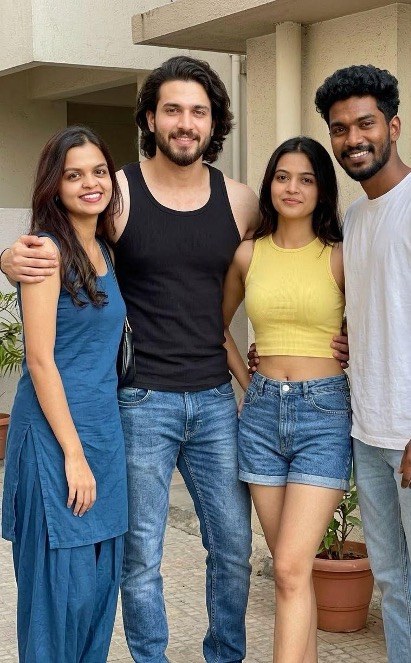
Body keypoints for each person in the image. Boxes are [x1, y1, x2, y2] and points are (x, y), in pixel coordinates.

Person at [0, 56, 350, 663]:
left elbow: (292, 255)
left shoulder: (241, 201)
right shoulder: (117, 193)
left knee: (233, 547)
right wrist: (12, 259)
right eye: (172, 110)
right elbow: (64, 239)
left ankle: (224, 655)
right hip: (140, 402)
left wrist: (328, 337)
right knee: (140, 555)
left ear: (214, 122)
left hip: (215, 401)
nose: (185, 123)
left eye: (198, 111)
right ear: (150, 119)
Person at [314, 66, 411, 662]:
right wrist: (352, 343)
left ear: (394, 126)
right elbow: (385, 310)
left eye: (366, 124)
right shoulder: (356, 218)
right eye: (340, 128)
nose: (353, 138)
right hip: (369, 431)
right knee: (394, 585)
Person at [1, 126, 128, 663]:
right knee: (59, 594)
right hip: (57, 440)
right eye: (73, 175)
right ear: (54, 185)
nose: (90, 183)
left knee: (97, 590)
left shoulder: (104, 248)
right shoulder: (44, 252)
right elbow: (40, 360)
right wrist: (73, 456)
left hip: (104, 433)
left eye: (98, 171)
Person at [223, 135, 350, 663]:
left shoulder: (341, 256)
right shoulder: (248, 254)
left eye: (306, 179)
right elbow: (214, 327)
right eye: (282, 177)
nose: (292, 188)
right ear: (269, 185)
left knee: (291, 568)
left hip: (324, 414)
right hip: (260, 415)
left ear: (322, 190)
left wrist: (356, 345)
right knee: (290, 573)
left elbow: (382, 323)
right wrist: (248, 382)